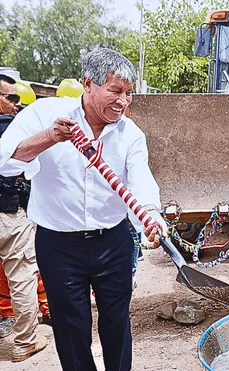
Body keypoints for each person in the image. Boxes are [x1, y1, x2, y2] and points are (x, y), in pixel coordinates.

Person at [0, 48, 167, 370]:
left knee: (117, 321)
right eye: (115, 91)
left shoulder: (130, 133)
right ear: (87, 83)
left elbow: (140, 179)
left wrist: (151, 214)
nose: (123, 101)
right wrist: (49, 137)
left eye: (129, 93)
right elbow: (5, 163)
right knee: (71, 326)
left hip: (114, 241)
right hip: (58, 243)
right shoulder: (44, 114)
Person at [0, 73, 48, 362]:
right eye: (11, 98)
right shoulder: (12, 130)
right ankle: (25, 342)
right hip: (9, 213)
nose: (17, 105)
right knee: (22, 276)